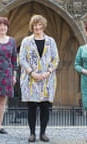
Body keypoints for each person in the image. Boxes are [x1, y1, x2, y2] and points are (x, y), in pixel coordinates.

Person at [19, 14, 59, 142]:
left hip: (47, 79)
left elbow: (56, 59)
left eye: (39, 25)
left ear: (43, 26)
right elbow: (22, 58)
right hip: (31, 79)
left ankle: (43, 133)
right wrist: (32, 73)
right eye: (35, 25)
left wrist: (49, 71)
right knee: (32, 107)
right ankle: (32, 133)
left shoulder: (51, 41)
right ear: (32, 26)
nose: (37, 27)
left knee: (45, 107)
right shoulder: (26, 41)